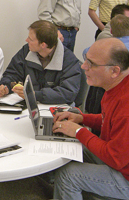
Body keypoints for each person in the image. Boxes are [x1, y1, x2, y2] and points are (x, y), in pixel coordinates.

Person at [52, 37, 129, 199]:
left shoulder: (126, 105)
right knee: (68, 146)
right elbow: (108, 119)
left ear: (114, 71)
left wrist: (79, 132)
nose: (83, 66)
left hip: (124, 177)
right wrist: (81, 119)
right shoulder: (116, 87)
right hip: (118, 160)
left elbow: (115, 158)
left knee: (68, 175)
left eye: (91, 64)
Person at [0, 20, 81, 105]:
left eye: (30, 39)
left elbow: (68, 93)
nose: (26, 40)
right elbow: (12, 73)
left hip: (57, 109)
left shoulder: (69, 60)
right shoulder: (26, 51)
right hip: (29, 106)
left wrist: (35, 95)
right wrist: (5, 86)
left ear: (43, 45)